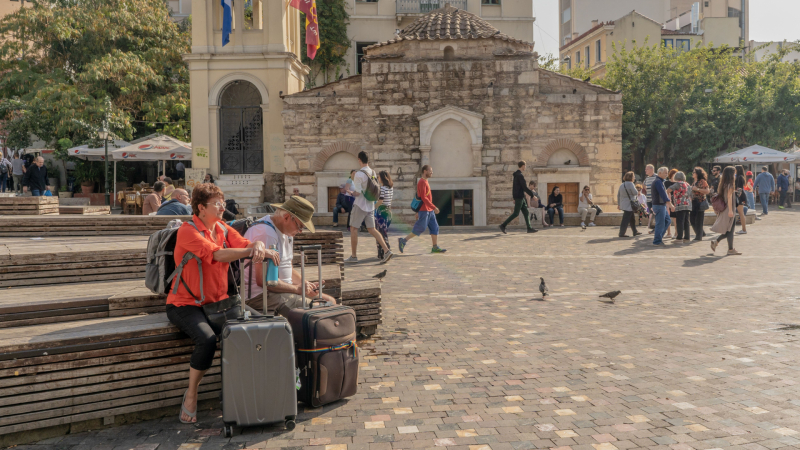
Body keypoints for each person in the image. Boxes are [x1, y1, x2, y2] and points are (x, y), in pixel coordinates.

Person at [166, 183, 274, 424]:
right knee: (206, 339)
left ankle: (246, 393)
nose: (222, 206)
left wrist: (257, 245)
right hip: (185, 304)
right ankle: (191, 395)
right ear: (201, 208)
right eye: (217, 203)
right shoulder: (188, 231)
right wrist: (251, 251)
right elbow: (217, 255)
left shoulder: (222, 227)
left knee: (261, 327)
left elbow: (246, 243)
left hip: (219, 303)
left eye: (222, 202)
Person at [244, 196, 337, 314]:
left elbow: (288, 268)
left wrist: (305, 284)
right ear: (287, 217)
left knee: (330, 301)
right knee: (323, 309)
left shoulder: (286, 232)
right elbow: (264, 281)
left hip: (281, 290)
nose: (300, 231)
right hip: (260, 295)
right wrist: (297, 289)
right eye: (300, 226)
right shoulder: (267, 233)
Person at [344, 152, 393, 263]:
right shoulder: (373, 172)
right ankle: (386, 250)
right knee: (372, 229)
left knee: (353, 229)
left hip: (360, 205)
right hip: (370, 205)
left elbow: (357, 192)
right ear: (368, 160)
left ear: (359, 160)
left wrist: (350, 192)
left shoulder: (358, 174)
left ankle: (354, 256)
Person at [398, 165, 446, 254]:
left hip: (429, 210)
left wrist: (428, 209)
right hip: (425, 210)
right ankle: (403, 241)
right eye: (430, 171)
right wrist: (434, 207)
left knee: (435, 227)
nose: (432, 172)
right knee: (420, 228)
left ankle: (435, 247)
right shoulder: (422, 182)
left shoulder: (425, 181)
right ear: (425, 171)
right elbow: (423, 198)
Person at [710, 166, 741, 255]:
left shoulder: (723, 184)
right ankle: (729, 249)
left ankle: (722, 245)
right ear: (731, 174)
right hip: (728, 209)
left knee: (729, 230)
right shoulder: (730, 185)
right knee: (730, 229)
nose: (735, 175)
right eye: (734, 173)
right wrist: (731, 210)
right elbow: (729, 197)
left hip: (724, 209)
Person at [499, 161, 537, 234]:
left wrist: (514, 197)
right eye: (525, 165)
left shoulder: (517, 175)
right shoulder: (519, 175)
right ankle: (503, 225)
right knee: (516, 213)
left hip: (520, 197)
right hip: (519, 197)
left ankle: (529, 228)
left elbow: (514, 187)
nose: (525, 167)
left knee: (526, 212)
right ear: (522, 166)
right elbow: (525, 187)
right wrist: (532, 195)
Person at [666, 172, 692, 243]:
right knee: (686, 221)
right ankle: (687, 237)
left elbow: (668, 190)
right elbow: (690, 194)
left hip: (680, 204)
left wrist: (667, 196)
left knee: (679, 221)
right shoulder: (687, 184)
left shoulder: (677, 184)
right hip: (687, 204)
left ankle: (679, 238)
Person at [651, 167, 673, 246]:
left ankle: (659, 238)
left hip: (661, 205)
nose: (667, 175)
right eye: (665, 173)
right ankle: (657, 241)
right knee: (660, 223)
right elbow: (663, 194)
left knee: (667, 221)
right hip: (659, 205)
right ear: (660, 173)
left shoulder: (660, 181)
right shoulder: (658, 182)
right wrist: (670, 204)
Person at [375, 171, 394, 260]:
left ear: (382, 178)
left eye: (378, 177)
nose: (378, 179)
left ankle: (385, 251)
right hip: (388, 212)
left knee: (381, 233)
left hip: (382, 212)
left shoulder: (382, 188)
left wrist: (373, 208)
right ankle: (383, 253)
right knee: (383, 232)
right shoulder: (391, 188)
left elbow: (380, 201)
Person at [617, 172, 641, 238]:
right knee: (626, 219)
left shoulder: (622, 184)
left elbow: (618, 195)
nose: (634, 178)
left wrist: (619, 204)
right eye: (633, 176)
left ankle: (635, 231)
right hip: (630, 204)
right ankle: (621, 233)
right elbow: (636, 192)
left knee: (632, 218)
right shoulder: (631, 184)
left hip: (624, 204)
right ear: (631, 177)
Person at [690, 167, 710, 241]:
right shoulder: (694, 182)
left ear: (697, 173)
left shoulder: (702, 181)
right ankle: (702, 233)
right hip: (694, 202)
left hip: (700, 202)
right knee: (692, 219)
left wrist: (697, 189)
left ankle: (699, 236)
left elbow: (707, 191)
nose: (693, 174)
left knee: (699, 220)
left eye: (694, 172)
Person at [663, 168, 678, 239]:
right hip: (668, 201)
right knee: (667, 217)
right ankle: (668, 233)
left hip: (675, 201)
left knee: (675, 217)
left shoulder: (678, 183)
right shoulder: (666, 183)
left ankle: (676, 232)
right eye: (673, 174)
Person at [734, 165, 748, 234]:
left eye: (735, 169)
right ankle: (744, 229)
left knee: (741, 213)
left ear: (738, 170)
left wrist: (737, 196)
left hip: (739, 196)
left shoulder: (739, 177)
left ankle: (744, 229)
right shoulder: (741, 177)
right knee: (741, 213)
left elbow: (739, 188)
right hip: (741, 196)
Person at [643, 164, 656, 232]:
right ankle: (654, 228)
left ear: (651, 169)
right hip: (648, 199)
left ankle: (656, 229)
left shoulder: (657, 177)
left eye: (647, 169)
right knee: (651, 213)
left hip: (655, 200)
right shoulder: (647, 178)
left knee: (655, 213)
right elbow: (644, 184)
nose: (645, 170)